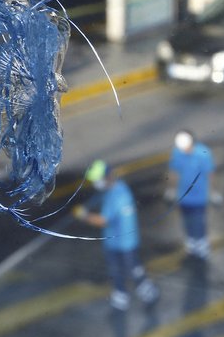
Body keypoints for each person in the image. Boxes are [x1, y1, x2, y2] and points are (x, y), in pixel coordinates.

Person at [75, 160, 159, 311]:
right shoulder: (115, 188)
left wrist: (84, 215)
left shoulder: (118, 196)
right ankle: (121, 295)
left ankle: (149, 293)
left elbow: (103, 221)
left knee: (133, 269)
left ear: (106, 177)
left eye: (97, 180)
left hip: (125, 243)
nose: (96, 184)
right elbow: (100, 198)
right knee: (115, 270)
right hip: (114, 241)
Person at [167, 130, 216, 259]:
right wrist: (171, 191)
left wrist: (213, 193)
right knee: (187, 220)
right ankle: (191, 243)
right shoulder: (177, 153)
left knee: (199, 222)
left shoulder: (203, 153)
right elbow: (174, 172)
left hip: (200, 197)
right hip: (184, 197)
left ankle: (202, 244)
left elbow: (210, 174)